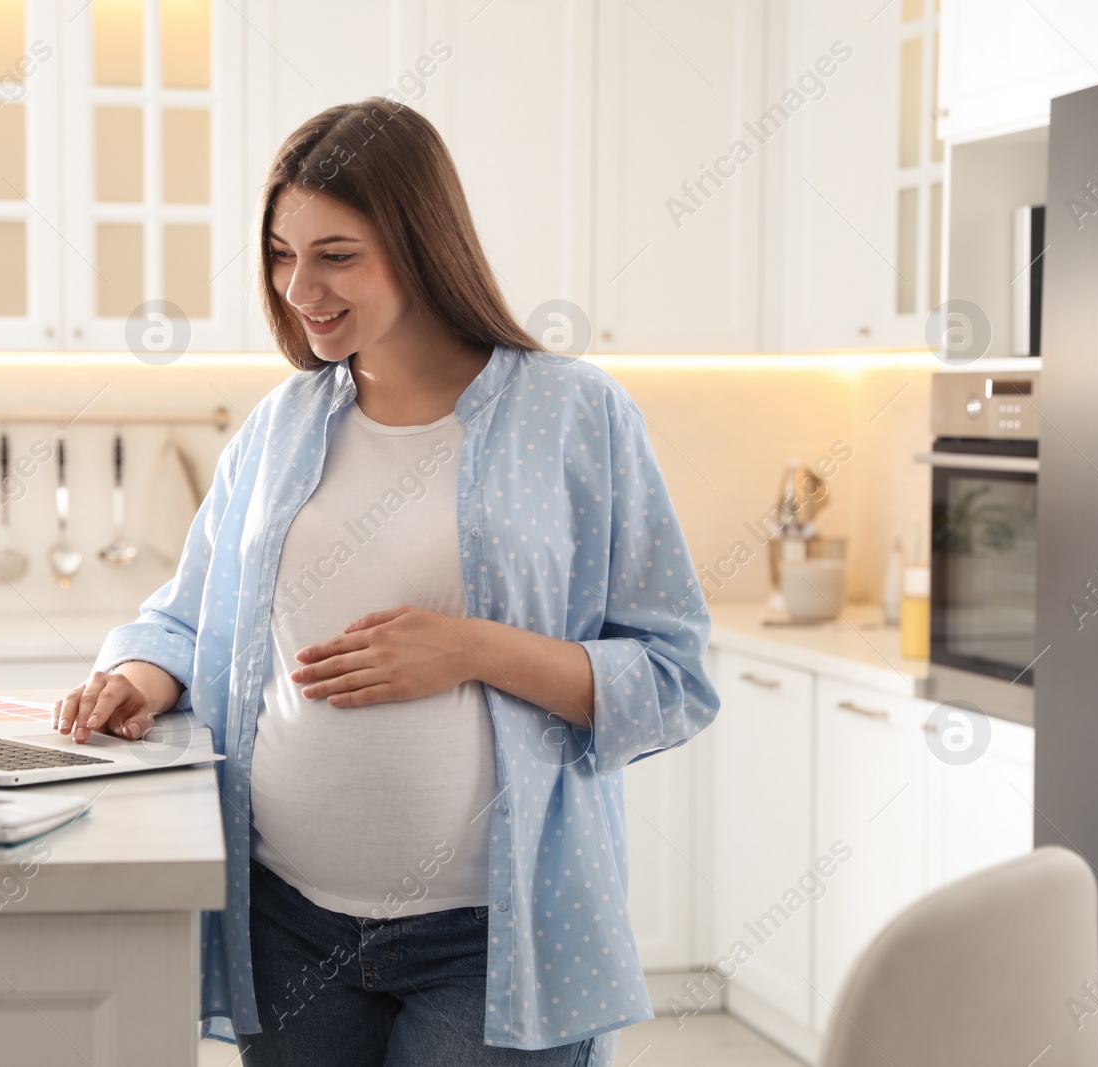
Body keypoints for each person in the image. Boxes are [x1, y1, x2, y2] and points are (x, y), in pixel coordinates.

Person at [54, 96, 720, 1067]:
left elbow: (672, 677)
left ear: (417, 243)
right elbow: (187, 613)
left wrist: (471, 647)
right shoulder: (279, 427)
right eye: (281, 254)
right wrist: (142, 676)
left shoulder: (575, 416)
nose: (298, 287)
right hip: (286, 924)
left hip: (491, 942)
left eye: (334, 254)